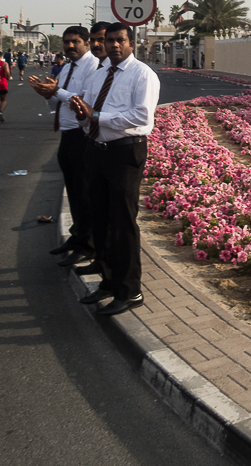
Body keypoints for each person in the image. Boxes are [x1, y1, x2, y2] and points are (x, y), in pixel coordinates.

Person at [70, 23, 160, 316]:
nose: (114, 45)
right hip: (97, 151)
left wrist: (96, 115)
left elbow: (141, 116)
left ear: (131, 43)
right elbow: (87, 111)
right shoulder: (99, 75)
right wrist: (84, 116)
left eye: (120, 40)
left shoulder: (142, 74)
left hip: (125, 153)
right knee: (101, 220)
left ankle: (130, 291)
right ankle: (108, 282)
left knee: (122, 224)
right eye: (110, 40)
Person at [29, 27, 100, 266]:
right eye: (67, 42)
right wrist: (47, 92)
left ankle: (87, 245)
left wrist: (57, 91)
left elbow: (84, 101)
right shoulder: (67, 66)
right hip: (67, 136)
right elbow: (56, 105)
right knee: (73, 190)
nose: (70, 46)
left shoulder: (93, 67)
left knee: (83, 192)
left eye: (75, 42)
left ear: (87, 43)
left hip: (83, 136)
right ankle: (77, 237)